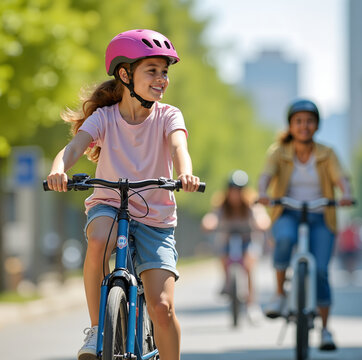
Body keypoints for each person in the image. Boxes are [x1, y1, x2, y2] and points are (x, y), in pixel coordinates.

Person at [46, 29, 200, 360]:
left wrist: (185, 172)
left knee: (162, 307)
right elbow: (74, 148)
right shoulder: (104, 118)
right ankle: (95, 331)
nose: (162, 79)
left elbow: (178, 147)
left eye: (165, 72)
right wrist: (59, 168)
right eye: (152, 70)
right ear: (125, 74)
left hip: (156, 216)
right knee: (99, 237)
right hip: (109, 203)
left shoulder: (168, 115)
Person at [257, 99, 353, 351]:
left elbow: (341, 177)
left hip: (321, 216)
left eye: (309, 121)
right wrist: (262, 192)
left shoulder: (327, 153)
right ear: (290, 125)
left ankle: (326, 329)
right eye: (298, 121)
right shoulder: (278, 152)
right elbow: (266, 175)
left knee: (321, 270)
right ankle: (279, 294)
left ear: (316, 125)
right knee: (285, 239)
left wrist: (346, 193)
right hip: (287, 212)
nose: (304, 126)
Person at [201, 170, 271, 322]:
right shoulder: (221, 203)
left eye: (239, 190)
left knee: (249, 265)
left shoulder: (251, 203)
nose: (235, 194)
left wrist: (262, 222)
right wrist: (209, 222)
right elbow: (212, 216)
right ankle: (227, 281)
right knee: (222, 255)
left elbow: (261, 217)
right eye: (233, 190)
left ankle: (252, 305)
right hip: (227, 238)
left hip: (248, 239)